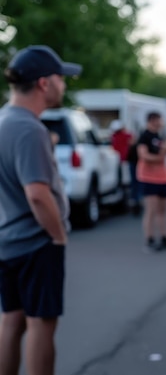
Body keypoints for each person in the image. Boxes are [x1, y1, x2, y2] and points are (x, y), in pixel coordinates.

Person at [0, 45, 81, 375]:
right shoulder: (29, 128)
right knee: (41, 325)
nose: (65, 85)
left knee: (12, 322)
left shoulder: (6, 119)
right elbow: (37, 195)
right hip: (35, 243)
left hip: (7, 240)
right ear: (44, 83)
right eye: (61, 78)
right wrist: (58, 236)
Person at [137, 112, 166, 252]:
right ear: (153, 120)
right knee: (151, 210)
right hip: (149, 178)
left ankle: (164, 237)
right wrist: (162, 154)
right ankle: (149, 239)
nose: (161, 123)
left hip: (162, 177)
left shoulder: (159, 136)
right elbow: (144, 156)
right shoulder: (144, 136)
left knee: (163, 210)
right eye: (159, 120)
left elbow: (162, 153)